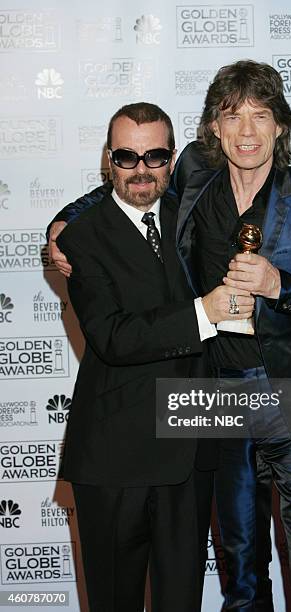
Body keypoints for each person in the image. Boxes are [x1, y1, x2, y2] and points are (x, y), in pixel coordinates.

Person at [49, 61, 291, 612]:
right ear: (213, 129)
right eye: (232, 116)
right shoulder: (193, 174)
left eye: (260, 116)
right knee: (240, 568)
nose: (246, 131)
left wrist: (279, 285)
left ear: (281, 126)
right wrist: (60, 225)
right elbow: (128, 184)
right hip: (218, 398)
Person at [53, 101, 254, 612]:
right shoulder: (82, 237)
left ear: (172, 160)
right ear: (109, 160)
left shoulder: (197, 218)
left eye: (155, 155)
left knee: (181, 600)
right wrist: (203, 313)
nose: (141, 169)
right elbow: (113, 337)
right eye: (126, 156)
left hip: (189, 447)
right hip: (116, 455)